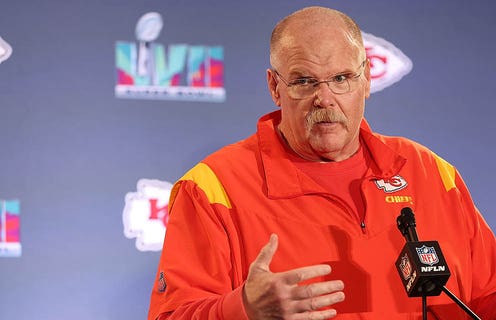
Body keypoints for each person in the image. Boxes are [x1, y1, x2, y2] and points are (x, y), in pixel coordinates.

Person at [147, 6, 496, 320]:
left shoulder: (430, 172)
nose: (324, 98)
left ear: (367, 79)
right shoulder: (213, 189)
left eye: (341, 78)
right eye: (303, 81)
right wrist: (243, 309)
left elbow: (488, 294)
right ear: (274, 87)